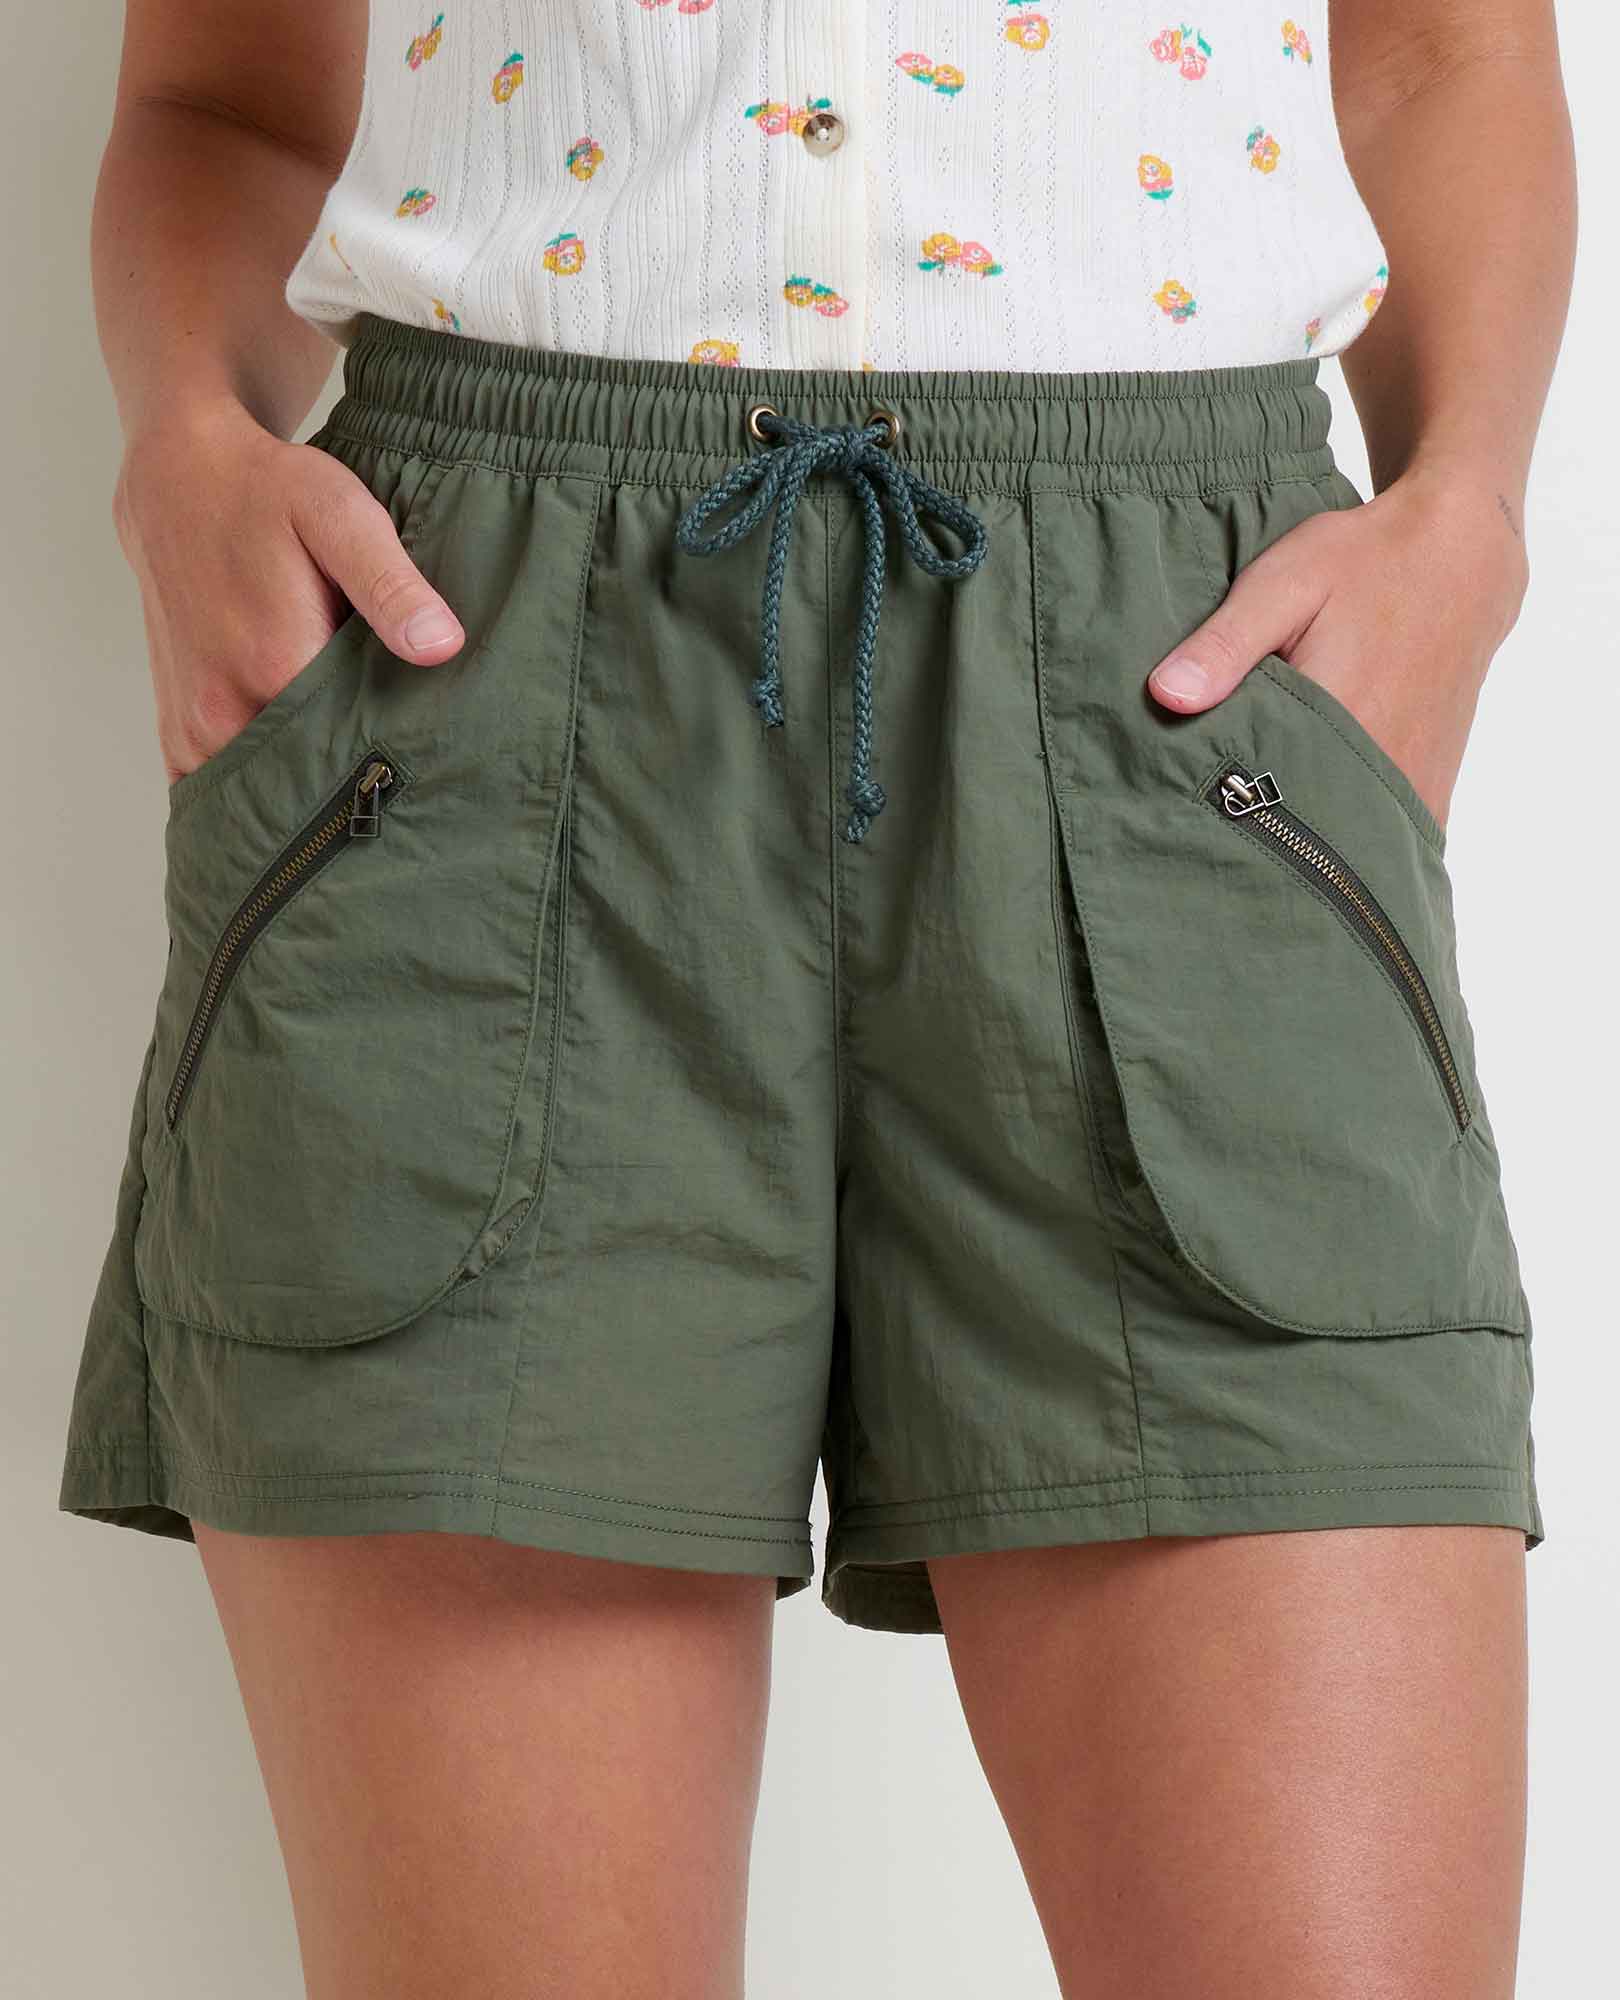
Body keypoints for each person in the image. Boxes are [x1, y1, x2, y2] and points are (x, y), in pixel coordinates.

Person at [58, 3, 1571, 1994]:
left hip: (1186, 690)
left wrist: (1467, 505)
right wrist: (185, 436)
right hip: (479, 679)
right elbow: (226, 93)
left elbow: (1446, 50)